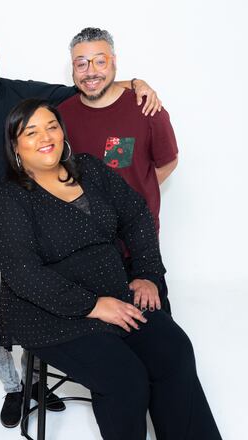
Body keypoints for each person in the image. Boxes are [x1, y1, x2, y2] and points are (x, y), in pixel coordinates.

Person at [0, 22, 163, 428]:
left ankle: (47, 370)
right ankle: (14, 387)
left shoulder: (25, 93)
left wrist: (134, 82)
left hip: (41, 220)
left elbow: (86, 88)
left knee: (40, 293)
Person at [0, 99, 221, 440]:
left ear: (63, 132)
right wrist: (93, 306)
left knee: (174, 351)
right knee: (125, 378)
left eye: (51, 126)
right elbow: (25, 275)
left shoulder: (89, 169)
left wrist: (147, 273)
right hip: (49, 314)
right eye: (31, 132)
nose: (45, 136)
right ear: (16, 147)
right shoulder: (7, 199)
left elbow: (137, 214)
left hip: (114, 291)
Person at [59, 27, 179, 312]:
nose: (91, 71)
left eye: (100, 61)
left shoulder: (146, 108)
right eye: (81, 63)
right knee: (105, 342)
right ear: (72, 68)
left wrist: (138, 193)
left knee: (156, 332)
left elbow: (167, 163)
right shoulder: (60, 116)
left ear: (113, 61)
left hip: (138, 250)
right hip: (86, 252)